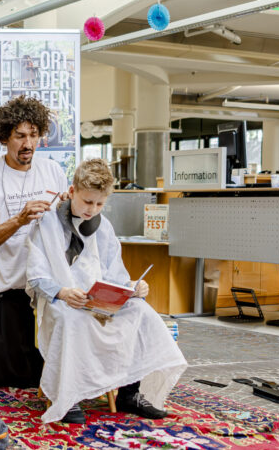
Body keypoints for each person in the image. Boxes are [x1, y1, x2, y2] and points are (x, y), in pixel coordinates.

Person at [26, 159, 187, 424]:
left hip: (98, 301)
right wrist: (64, 292)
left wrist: (133, 288)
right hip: (61, 301)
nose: (92, 210)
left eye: (100, 204)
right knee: (71, 320)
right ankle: (69, 396)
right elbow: (36, 276)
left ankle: (130, 392)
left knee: (141, 312)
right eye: (88, 202)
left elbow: (115, 275)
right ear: (72, 190)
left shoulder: (105, 226)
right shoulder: (47, 223)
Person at [0, 95, 68, 388]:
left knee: (48, 373)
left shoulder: (52, 171)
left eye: (34, 135)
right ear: (4, 137)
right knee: (5, 376)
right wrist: (19, 220)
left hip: (47, 287)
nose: (28, 144)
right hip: (7, 290)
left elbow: (66, 229)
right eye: (20, 136)